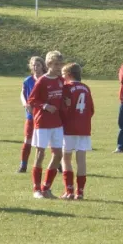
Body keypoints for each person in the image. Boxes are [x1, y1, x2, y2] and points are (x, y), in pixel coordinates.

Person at [28, 51, 65, 199]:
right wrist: (45, 106)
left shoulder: (61, 80)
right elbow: (32, 100)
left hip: (57, 123)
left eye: (60, 64)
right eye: (56, 64)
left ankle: (46, 188)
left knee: (58, 154)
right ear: (48, 64)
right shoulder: (42, 81)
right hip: (42, 122)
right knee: (40, 154)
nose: (58, 67)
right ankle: (36, 189)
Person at [60, 63, 94, 200]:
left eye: (63, 75)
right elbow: (91, 109)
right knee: (81, 160)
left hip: (69, 127)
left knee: (66, 158)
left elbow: (65, 108)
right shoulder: (86, 88)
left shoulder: (67, 87)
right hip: (84, 128)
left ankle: (69, 190)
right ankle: (80, 192)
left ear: (68, 75)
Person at [18, 56, 46, 173]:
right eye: (33, 65)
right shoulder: (28, 80)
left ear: (43, 66)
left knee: (48, 141)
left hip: (44, 115)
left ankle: (58, 164)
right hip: (31, 115)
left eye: (38, 65)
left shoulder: (46, 79)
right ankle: (23, 165)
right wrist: (25, 104)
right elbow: (23, 94)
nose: (36, 67)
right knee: (27, 139)